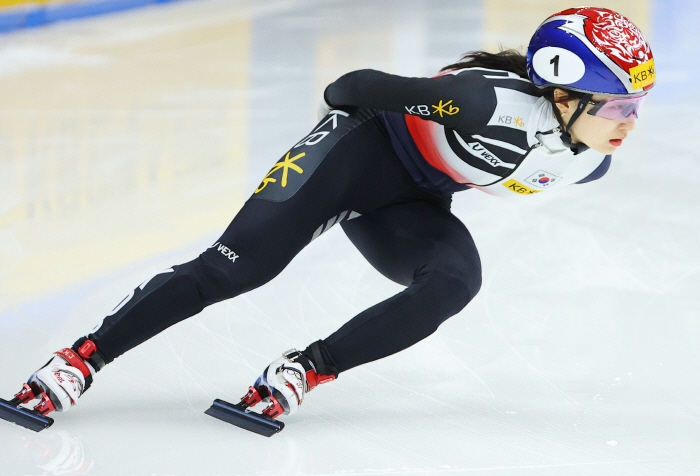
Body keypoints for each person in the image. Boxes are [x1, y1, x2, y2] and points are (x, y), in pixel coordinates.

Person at [16, 7, 656, 421]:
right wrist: (382, 120)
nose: (630, 123)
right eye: (618, 107)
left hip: (412, 200)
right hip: (352, 152)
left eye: (637, 106)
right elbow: (349, 88)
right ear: (565, 95)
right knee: (235, 270)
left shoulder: (586, 160)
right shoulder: (479, 100)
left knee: (454, 283)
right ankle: (79, 361)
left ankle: (303, 370)